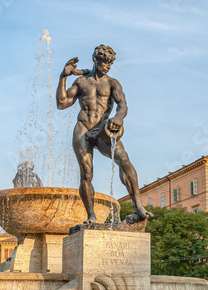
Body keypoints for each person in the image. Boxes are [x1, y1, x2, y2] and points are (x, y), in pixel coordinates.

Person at [56, 44, 153, 224]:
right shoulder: (81, 82)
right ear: (96, 60)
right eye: (105, 62)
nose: (108, 66)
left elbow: (122, 104)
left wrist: (119, 117)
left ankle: (138, 206)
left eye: (110, 63)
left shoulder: (112, 83)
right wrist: (63, 76)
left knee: (123, 159)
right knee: (86, 173)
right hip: (83, 128)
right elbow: (62, 103)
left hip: (103, 130)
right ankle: (91, 215)